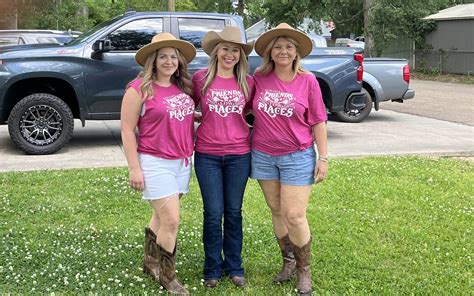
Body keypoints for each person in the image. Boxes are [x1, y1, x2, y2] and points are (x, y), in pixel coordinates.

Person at [251, 23, 329, 295]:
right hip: (262, 155)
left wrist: (324, 157)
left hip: (297, 156)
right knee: (276, 209)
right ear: (270, 53)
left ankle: (303, 270)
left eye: (289, 47)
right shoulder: (258, 78)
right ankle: (288, 261)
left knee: (294, 214)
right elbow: (242, 107)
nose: (283, 51)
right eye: (278, 47)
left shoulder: (308, 81)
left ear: (297, 53)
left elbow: (319, 120)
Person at [120, 33, 196, 295]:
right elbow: (128, 130)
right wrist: (134, 167)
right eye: (162, 56)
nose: (168, 61)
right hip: (155, 161)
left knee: (160, 216)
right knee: (172, 220)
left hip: (183, 161)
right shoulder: (139, 88)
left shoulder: (182, 87)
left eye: (173, 56)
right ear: (152, 60)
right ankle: (168, 276)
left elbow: (179, 115)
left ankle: (150, 261)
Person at [191, 26, 254, 288]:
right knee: (213, 213)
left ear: (241, 55)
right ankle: (212, 269)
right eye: (225, 49)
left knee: (234, 211)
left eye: (235, 50)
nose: (230, 55)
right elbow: (184, 105)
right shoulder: (200, 78)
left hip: (239, 155)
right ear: (216, 52)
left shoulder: (248, 82)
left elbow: (251, 114)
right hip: (207, 155)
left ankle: (235, 266)